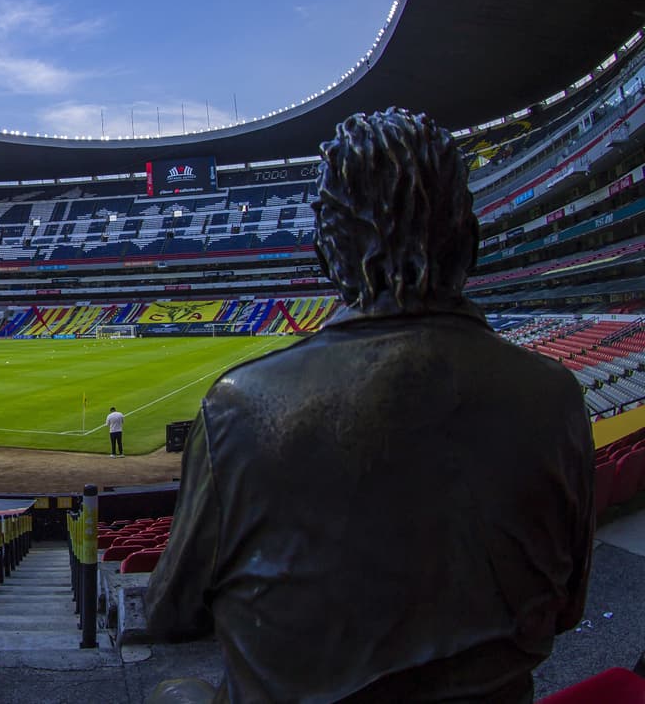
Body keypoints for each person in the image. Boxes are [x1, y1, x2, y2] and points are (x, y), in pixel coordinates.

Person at [144, 109, 593, 703]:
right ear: (469, 237)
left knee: (174, 693)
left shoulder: (238, 408)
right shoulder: (556, 398)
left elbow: (168, 615)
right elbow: (564, 608)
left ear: (328, 250)